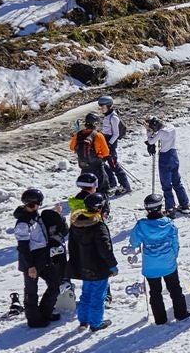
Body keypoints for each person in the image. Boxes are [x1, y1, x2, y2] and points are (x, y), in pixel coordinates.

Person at [130, 195, 190, 325]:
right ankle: (181, 313)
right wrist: (173, 256)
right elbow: (175, 244)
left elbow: (134, 242)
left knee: (155, 292)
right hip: (168, 263)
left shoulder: (141, 225)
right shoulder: (170, 224)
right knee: (175, 288)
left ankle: (160, 319)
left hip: (151, 266)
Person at [14, 187, 68, 328]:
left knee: (55, 285)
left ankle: (45, 311)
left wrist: (56, 215)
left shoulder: (36, 216)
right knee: (31, 292)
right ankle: (34, 319)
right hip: (31, 260)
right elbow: (23, 246)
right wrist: (30, 266)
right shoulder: (23, 223)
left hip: (43, 257)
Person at [69, 192, 119, 332]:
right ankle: (96, 323)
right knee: (98, 296)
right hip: (98, 268)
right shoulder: (98, 226)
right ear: (99, 208)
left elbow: (72, 246)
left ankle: (83, 320)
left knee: (86, 293)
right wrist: (112, 265)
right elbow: (105, 249)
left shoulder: (76, 223)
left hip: (83, 266)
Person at [145, 116, 190, 216]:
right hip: (174, 155)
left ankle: (170, 208)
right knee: (177, 182)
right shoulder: (171, 128)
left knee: (166, 185)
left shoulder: (161, 132)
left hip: (165, 158)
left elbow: (151, 141)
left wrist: (148, 131)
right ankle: (184, 204)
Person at [96, 94, 133, 196]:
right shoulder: (107, 116)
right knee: (101, 164)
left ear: (108, 106)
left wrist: (109, 144)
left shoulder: (113, 117)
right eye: (101, 107)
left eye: (103, 107)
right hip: (105, 142)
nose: (101, 109)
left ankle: (125, 186)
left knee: (114, 165)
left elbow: (116, 133)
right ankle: (112, 183)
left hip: (110, 144)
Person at [70, 112, 112, 193]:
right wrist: (99, 154)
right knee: (102, 188)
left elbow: (72, 147)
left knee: (86, 188)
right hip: (96, 166)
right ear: (95, 123)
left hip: (84, 166)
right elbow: (106, 152)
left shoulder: (78, 134)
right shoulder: (98, 135)